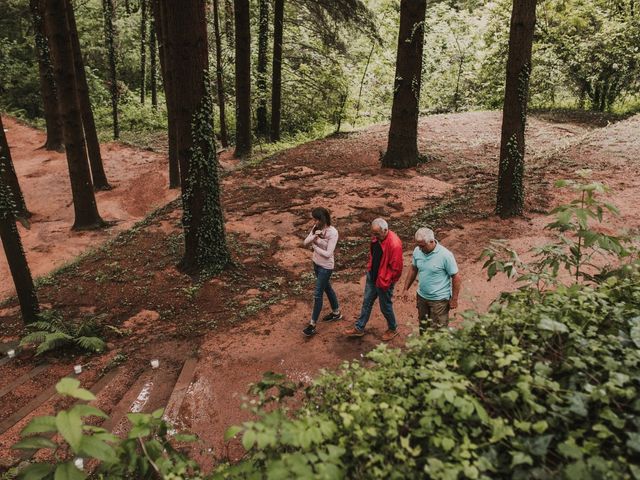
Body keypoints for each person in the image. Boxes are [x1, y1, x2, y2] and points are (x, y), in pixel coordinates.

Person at [344, 218, 403, 341]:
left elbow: (396, 269)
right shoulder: (377, 237)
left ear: (385, 230)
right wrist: (370, 267)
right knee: (367, 302)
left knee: (385, 307)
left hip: (383, 281)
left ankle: (393, 328)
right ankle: (359, 328)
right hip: (373, 276)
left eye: (376, 234)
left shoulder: (394, 244)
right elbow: (373, 253)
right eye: (373, 233)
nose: (374, 236)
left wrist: (386, 280)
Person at [401, 227, 461, 333]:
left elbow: (456, 277)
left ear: (432, 241)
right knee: (423, 327)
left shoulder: (445, 255)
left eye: (422, 246)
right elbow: (413, 269)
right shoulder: (417, 251)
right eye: (418, 245)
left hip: (439, 301)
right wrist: (405, 289)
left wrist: (454, 299)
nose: (419, 248)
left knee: (438, 330)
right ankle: (425, 348)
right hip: (422, 297)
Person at [302, 207, 342, 336]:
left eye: (316, 219)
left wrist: (315, 245)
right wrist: (314, 236)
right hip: (316, 264)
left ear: (322, 219)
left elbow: (328, 253)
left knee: (318, 294)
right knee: (327, 288)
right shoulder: (316, 228)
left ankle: (312, 325)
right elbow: (305, 242)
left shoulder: (333, 233)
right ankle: (336, 313)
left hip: (326, 267)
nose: (314, 221)